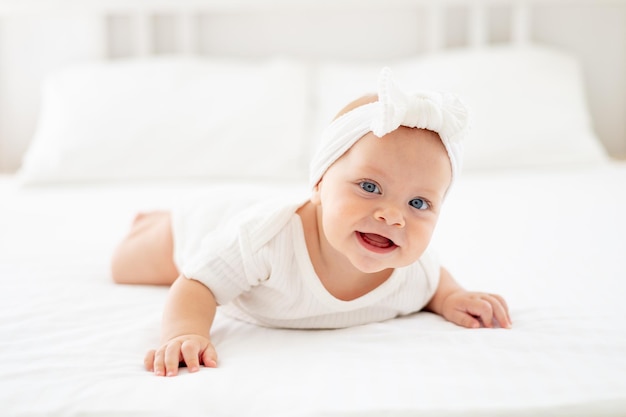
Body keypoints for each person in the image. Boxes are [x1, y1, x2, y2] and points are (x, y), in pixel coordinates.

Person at [111, 67, 512, 377]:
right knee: (125, 266)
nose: (392, 215)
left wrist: (453, 297)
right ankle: (155, 219)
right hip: (207, 226)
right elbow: (197, 283)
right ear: (319, 183)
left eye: (419, 201)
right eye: (370, 186)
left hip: (250, 221)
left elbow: (433, 280)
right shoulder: (263, 241)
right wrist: (186, 333)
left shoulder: (411, 271)